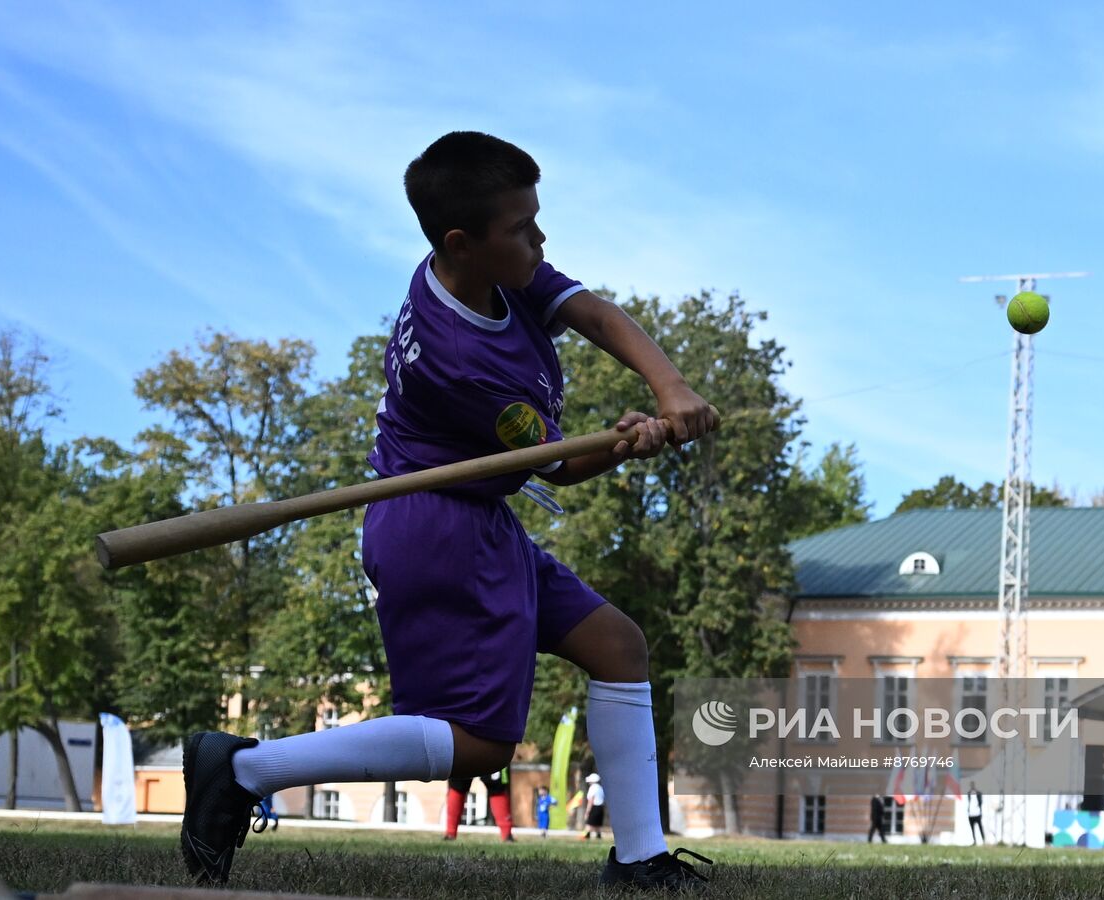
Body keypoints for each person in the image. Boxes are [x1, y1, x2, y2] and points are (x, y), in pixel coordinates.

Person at [178, 132, 717, 891]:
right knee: (481, 745)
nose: (540, 238)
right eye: (522, 227)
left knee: (617, 646)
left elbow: (593, 314)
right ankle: (244, 768)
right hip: (434, 530)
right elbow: (559, 467)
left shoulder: (480, 271)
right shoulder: (460, 358)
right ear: (461, 242)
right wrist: (628, 445)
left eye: (537, 219)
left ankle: (639, 861)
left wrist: (670, 388)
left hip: (475, 514)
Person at [583, 773, 607, 841]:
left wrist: (587, 811)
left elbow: (591, 800)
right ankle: (598, 836)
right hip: (601, 807)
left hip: (594, 807)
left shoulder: (592, 788)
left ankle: (587, 835)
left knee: (589, 823)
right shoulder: (600, 788)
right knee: (598, 823)